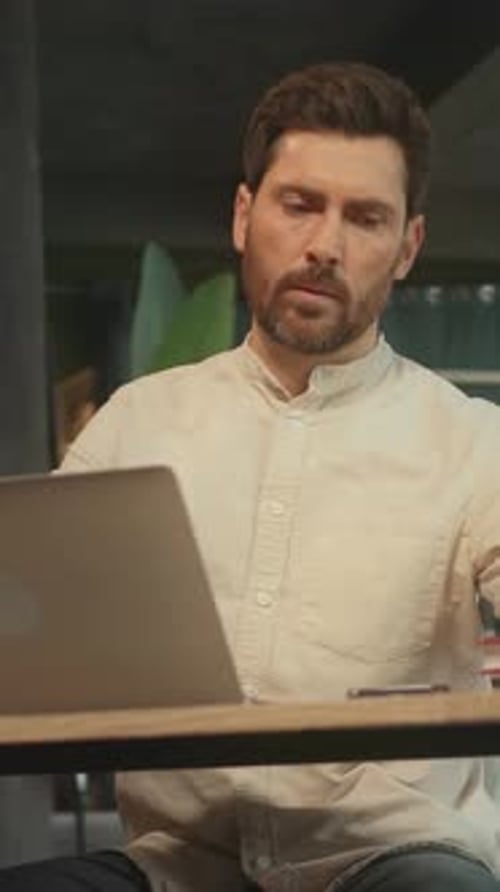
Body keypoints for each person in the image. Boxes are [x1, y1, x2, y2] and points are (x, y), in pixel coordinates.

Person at [3, 61, 500, 892]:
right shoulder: (137, 423)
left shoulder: (475, 442)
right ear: (244, 215)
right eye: (299, 204)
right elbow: (36, 638)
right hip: (175, 864)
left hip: (394, 856)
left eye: (366, 217)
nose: (324, 246)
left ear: (407, 247)